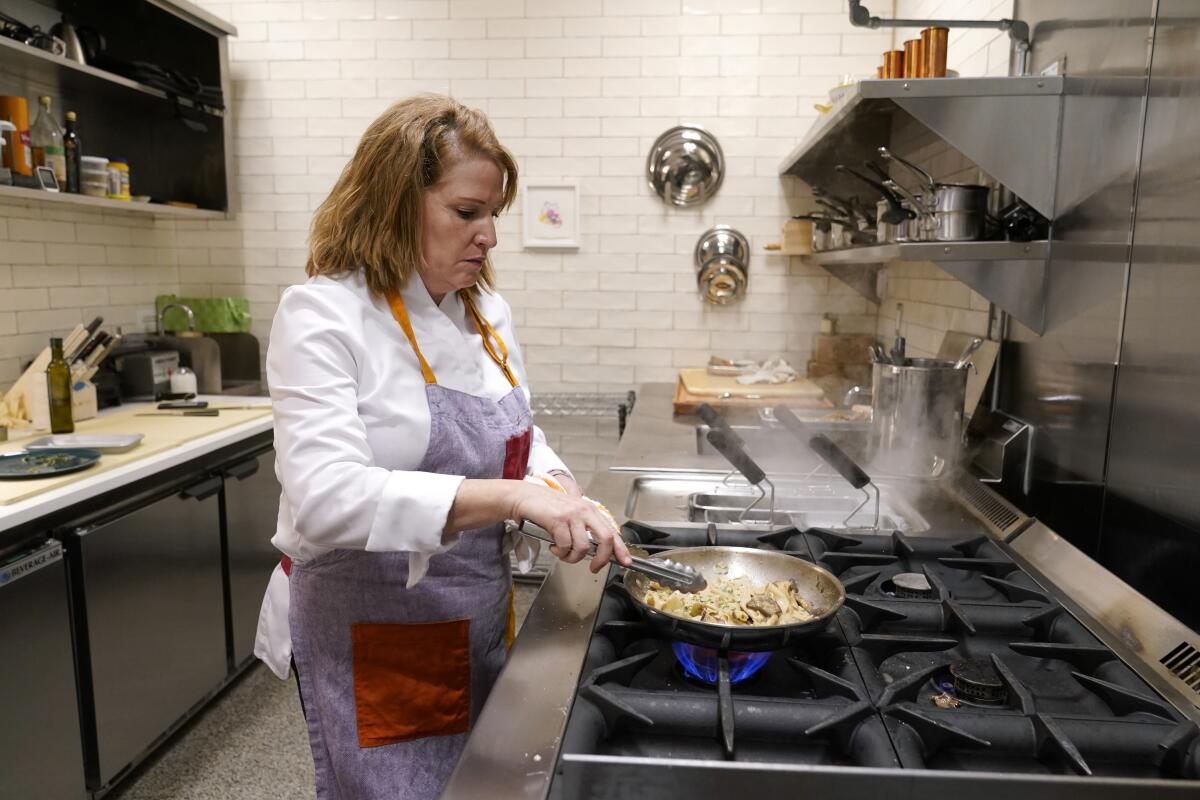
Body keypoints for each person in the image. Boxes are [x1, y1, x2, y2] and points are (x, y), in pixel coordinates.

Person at [253, 94, 632, 799]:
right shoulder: (325, 314)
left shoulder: (484, 312)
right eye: (466, 212)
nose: (488, 235)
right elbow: (327, 498)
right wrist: (515, 498)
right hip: (377, 630)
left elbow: (521, 436)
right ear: (395, 204)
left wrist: (561, 494)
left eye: (493, 213)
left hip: (474, 612)